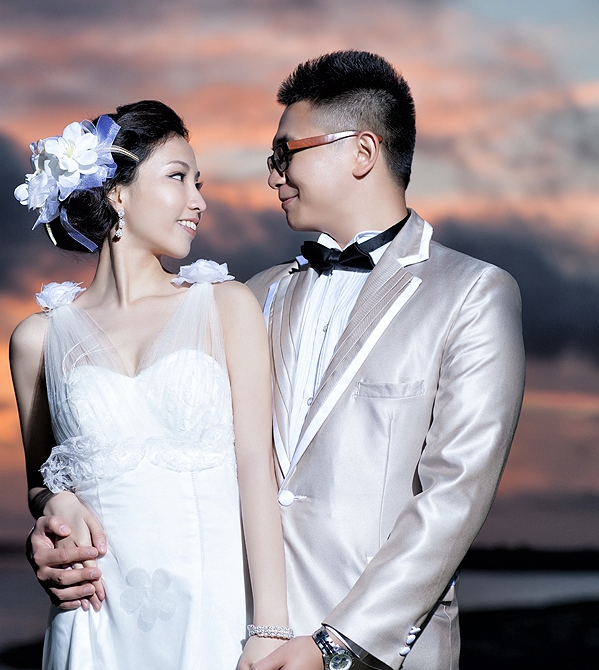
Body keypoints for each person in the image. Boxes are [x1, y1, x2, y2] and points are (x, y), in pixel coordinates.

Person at [28, 53, 525, 670]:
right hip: (226, 633)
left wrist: (336, 644)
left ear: (362, 152)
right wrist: (52, 526)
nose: (272, 175)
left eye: (285, 153)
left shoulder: (471, 294)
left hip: (371, 650)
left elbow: (454, 498)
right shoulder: (249, 295)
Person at [9, 100, 288, 670]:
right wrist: (54, 500)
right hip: (92, 622)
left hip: (211, 618)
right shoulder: (39, 338)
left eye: (199, 183)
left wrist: (271, 628)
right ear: (117, 193)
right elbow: (40, 479)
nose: (198, 201)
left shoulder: (225, 306)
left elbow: (256, 469)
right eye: (178, 177)